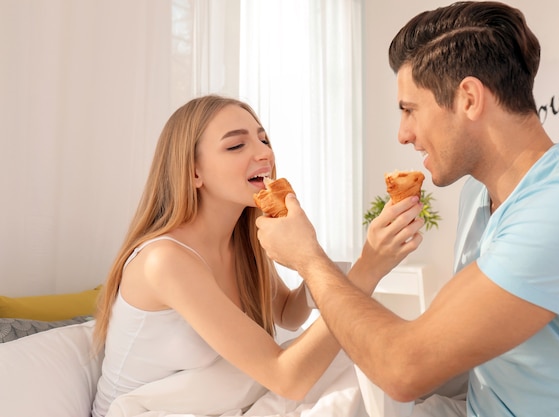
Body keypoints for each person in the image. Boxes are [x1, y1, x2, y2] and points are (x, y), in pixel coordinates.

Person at [255, 2, 559, 416]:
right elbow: (464, 353)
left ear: (468, 98)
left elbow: (404, 367)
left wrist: (308, 258)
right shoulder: (477, 197)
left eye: (410, 110)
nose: (403, 134)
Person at [89, 94, 423, 417]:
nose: (264, 153)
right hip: (147, 411)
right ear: (193, 173)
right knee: (355, 368)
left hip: (213, 402)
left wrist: (310, 254)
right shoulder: (165, 261)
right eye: (236, 145)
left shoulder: (244, 240)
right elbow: (286, 377)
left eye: (264, 140)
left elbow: (287, 313)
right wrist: (367, 269)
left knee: (363, 368)